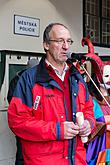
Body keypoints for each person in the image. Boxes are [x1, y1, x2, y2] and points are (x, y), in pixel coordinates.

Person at [8, 23, 96, 165]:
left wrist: (88, 124)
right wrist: (58, 130)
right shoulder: (29, 79)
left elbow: (89, 111)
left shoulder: (77, 78)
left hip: (77, 160)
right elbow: (17, 122)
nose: (66, 47)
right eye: (60, 41)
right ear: (46, 45)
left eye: (68, 41)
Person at [7, 58, 39, 165]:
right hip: (24, 122)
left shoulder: (17, 79)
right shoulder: (20, 80)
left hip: (34, 123)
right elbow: (12, 101)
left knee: (29, 152)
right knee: (22, 152)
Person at [86, 61, 110, 165]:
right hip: (100, 146)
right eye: (106, 76)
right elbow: (90, 124)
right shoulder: (91, 101)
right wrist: (106, 126)